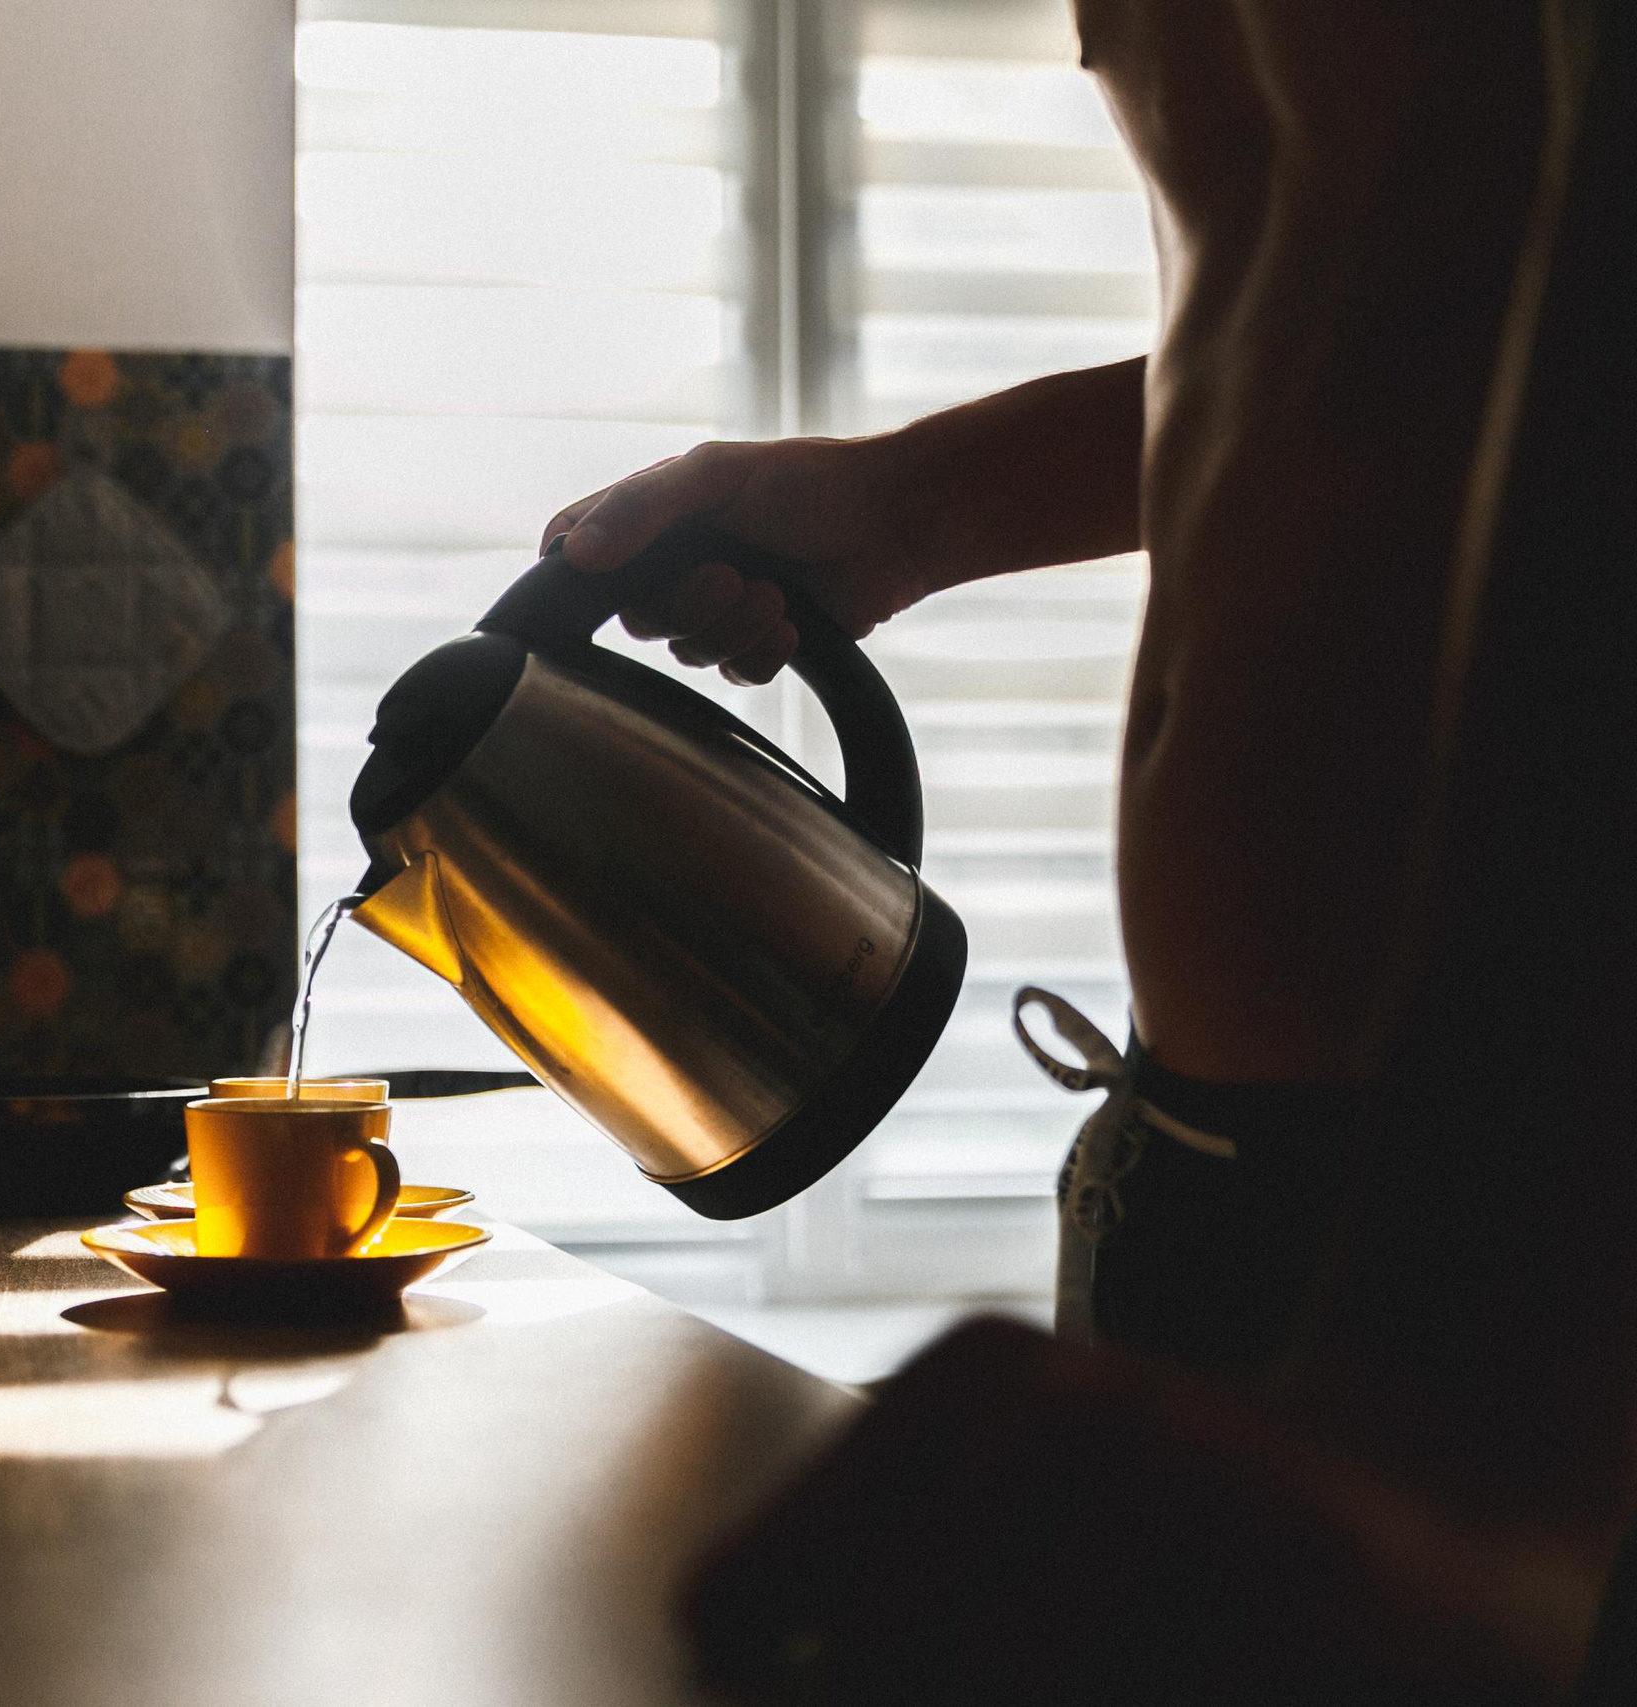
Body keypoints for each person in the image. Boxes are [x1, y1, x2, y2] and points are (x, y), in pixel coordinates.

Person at [545, 3, 1635, 1697]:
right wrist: (910, 505)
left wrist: (1483, 1428)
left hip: (1518, 1250)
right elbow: (1339, 304)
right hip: (1213, 1163)